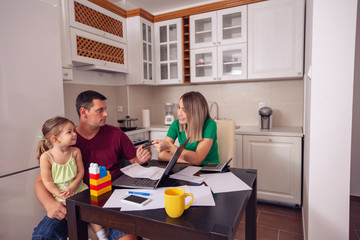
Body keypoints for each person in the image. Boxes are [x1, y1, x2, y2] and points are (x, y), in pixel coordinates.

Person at [33, 90, 151, 240]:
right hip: (73, 199)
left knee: (128, 238)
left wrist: (141, 158)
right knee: (42, 236)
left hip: (110, 198)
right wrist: (49, 204)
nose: (106, 114)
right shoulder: (65, 141)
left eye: (105, 109)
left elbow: (135, 160)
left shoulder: (116, 134)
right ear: (84, 112)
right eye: (100, 110)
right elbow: (41, 181)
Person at [36, 116, 108, 240]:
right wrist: (59, 193)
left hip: (79, 189)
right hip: (60, 195)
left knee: (91, 212)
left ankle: (102, 236)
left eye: (73, 130)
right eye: (69, 132)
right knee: (63, 220)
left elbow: (80, 172)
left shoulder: (75, 152)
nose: (75, 134)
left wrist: (72, 187)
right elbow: (46, 181)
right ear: (55, 139)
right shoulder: (46, 157)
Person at [153, 91, 219, 165]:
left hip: (208, 169)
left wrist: (170, 147)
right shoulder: (176, 124)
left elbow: (197, 159)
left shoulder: (210, 125)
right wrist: (186, 161)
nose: (179, 113)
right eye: (179, 108)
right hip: (188, 167)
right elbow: (162, 155)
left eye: (184, 110)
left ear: (196, 112)